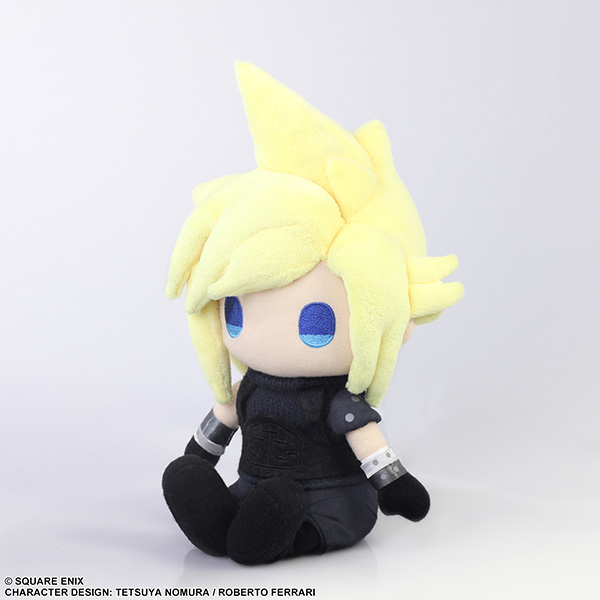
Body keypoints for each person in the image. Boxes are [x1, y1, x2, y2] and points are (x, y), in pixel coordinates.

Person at [162, 62, 463, 565]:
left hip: (332, 503)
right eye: (234, 312)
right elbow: (219, 426)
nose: (257, 333)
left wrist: (395, 485)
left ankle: (273, 535)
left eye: (315, 323)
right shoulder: (248, 388)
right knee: (238, 496)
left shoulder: (338, 401)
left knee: (284, 508)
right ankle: (227, 527)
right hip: (253, 488)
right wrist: (197, 461)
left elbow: (369, 446)